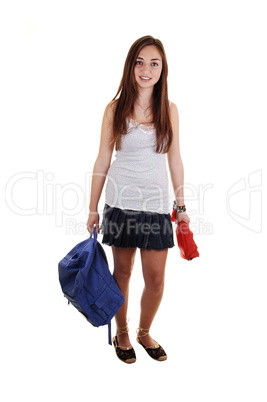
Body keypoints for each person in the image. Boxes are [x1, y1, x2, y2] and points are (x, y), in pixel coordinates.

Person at [86, 35, 190, 364]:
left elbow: (175, 159)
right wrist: (92, 208)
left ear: (163, 69)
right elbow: (102, 159)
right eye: (140, 62)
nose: (146, 69)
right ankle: (122, 332)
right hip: (120, 202)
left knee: (156, 279)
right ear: (131, 66)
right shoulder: (114, 109)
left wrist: (182, 206)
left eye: (154, 63)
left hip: (157, 205)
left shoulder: (169, 110)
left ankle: (144, 332)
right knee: (123, 274)